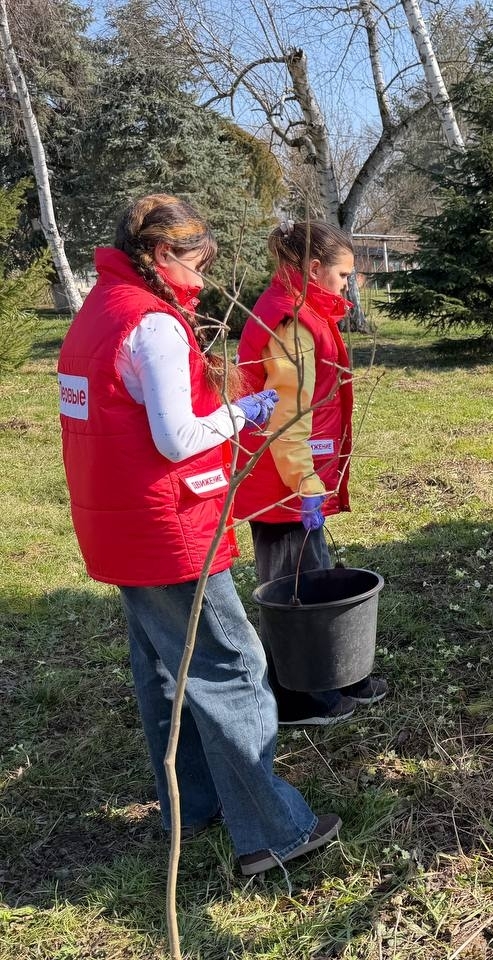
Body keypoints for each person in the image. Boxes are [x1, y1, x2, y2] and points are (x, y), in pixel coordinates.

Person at [57, 194, 339, 876]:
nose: (204, 280)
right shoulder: (151, 323)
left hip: (117, 522)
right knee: (230, 665)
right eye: (197, 263)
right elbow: (177, 436)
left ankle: (195, 803)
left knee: (165, 670)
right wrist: (241, 413)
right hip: (166, 526)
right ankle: (273, 831)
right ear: (161, 255)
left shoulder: (98, 311)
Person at [234, 220, 388, 726]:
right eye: (343, 276)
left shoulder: (306, 314)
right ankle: (297, 696)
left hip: (297, 477)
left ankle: (332, 675)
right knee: (291, 590)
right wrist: (304, 482)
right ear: (314, 269)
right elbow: (286, 415)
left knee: (314, 576)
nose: (348, 285)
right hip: (284, 482)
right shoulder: (292, 324)